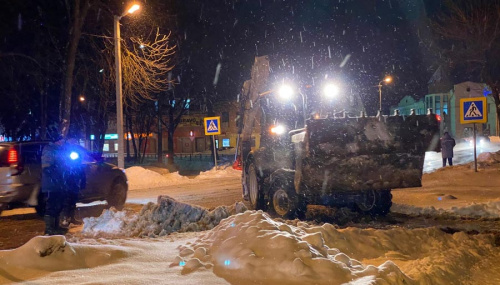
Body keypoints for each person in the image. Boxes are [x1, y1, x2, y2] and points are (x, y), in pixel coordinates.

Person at [41, 134, 67, 235]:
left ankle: (56, 227)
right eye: (61, 140)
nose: (62, 142)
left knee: (58, 205)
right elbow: (47, 167)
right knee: (51, 206)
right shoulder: (49, 150)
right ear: (57, 141)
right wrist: (57, 172)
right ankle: (49, 229)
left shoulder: (59, 150)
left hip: (58, 183)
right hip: (51, 184)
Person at [60, 138, 86, 228]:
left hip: (74, 181)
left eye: (75, 143)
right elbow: (63, 167)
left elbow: (80, 168)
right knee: (67, 201)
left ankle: (72, 217)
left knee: (73, 200)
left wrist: (82, 181)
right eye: (72, 143)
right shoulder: (64, 152)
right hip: (67, 181)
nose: (74, 144)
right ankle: (65, 218)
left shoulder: (77, 153)